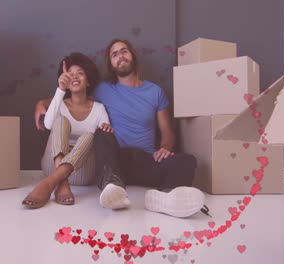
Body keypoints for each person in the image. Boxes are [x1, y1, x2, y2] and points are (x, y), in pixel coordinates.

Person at [35, 40, 207, 218]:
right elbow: (76, 96)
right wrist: (42, 103)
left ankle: (165, 197)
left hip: (147, 160)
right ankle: (112, 187)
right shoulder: (103, 90)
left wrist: (164, 148)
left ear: (132, 55)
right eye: (114, 54)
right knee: (102, 132)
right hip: (114, 159)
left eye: (124, 51)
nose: (120, 56)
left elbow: (167, 131)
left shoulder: (155, 91)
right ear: (111, 63)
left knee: (187, 160)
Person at [23, 52, 113, 209]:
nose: (75, 77)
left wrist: (106, 129)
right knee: (60, 122)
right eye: (70, 74)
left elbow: (104, 136)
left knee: (91, 135)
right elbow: (49, 125)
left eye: (80, 73)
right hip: (52, 165)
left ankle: (49, 183)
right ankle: (61, 181)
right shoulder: (60, 103)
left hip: (82, 172)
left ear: (88, 82)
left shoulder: (99, 109)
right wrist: (60, 89)